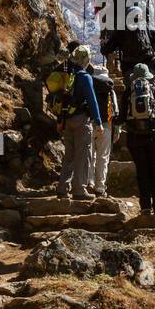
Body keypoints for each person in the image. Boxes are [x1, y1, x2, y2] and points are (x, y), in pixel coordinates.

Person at [51, 44, 105, 200]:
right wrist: (98, 122)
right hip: (81, 120)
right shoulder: (84, 76)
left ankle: (62, 187)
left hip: (67, 120)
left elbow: (63, 99)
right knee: (82, 155)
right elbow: (92, 100)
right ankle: (79, 189)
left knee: (69, 155)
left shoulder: (67, 75)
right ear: (86, 59)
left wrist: (60, 120)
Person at [117, 64, 155, 216]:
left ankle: (145, 207)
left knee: (142, 171)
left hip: (135, 137)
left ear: (133, 77)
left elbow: (121, 118)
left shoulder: (128, 93)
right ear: (148, 76)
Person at [107, 5, 155, 88]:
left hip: (129, 67)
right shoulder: (149, 29)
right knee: (151, 88)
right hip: (148, 65)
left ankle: (127, 98)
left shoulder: (119, 32)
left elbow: (107, 49)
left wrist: (104, 46)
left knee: (129, 91)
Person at [88, 62, 119, 197]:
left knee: (89, 156)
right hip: (106, 126)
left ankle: (89, 182)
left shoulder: (89, 87)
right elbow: (115, 111)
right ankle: (100, 187)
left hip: (89, 124)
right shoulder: (110, 90)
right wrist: (117, 130)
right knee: (103, 157)